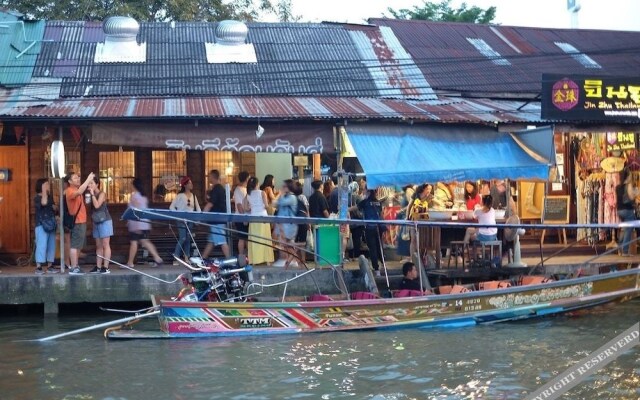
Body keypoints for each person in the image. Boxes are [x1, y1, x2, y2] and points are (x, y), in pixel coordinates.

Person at [127, 178, 163, 268]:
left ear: (134, 186)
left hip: (136, 223)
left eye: (132, 185)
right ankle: (158, 258)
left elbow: (134, 210)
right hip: (145, 223)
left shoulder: (134, 196)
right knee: (145, 241)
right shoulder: (144, 196)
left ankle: (130, 263)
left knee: (134, 242)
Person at [66, 171, 95, 275]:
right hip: (77, 221)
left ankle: (76, 266)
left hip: (81, 220)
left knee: (78, 245)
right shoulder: (69, 191)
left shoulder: (76, 189)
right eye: (75, 178)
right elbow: (79, 192)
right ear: (69, 181)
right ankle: (73, 267)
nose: (78, 179)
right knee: (75, 245)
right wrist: (88, 179)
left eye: (78, 177)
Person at [352, 189, 384, 276]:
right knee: (379, 247)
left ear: (368, 192)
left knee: (372, 248)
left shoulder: (365, 202)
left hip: (369, 228)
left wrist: (344, 209)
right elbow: (381, 215)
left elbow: (354, 208)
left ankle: (376, 269)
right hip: (378, 227)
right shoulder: (378, 202)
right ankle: (384, 265)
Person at [244, 177, 274, 265]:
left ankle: (254, 260)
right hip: (263, 218)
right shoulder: (262, 193)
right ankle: (267, 260)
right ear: (257, 184)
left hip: (253, 218)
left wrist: (252, 208)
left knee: (254, 239)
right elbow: (266, 205)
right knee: (265, 238)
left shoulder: (248, 194)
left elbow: (245, 207)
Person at [170, 176, 201, 263]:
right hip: (181, 220)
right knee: (183, 238)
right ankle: (176, 257)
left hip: (190, 220)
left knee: (188, 238)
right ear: (185, 185)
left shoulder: (194, 196)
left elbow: (198, 209)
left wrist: (198, 219)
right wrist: (177, 215)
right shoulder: (179, 196)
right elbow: (171, 207)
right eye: (189, 183)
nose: (191, 184)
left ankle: (186, 257)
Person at [201, 170, 230, 259]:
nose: (208, 178)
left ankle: (230, 260)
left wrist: (201, 216)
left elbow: (210, 204)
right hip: (217, 219)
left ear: (213, 177)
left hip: (217, 220)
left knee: (221, 241)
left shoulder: (216, 189)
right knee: (211, 241)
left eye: (209, 176)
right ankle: (203, 259)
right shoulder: (219, 189)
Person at [87, 177, 112, 274]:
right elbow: (87, 205)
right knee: (98, 245)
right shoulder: (90, 194)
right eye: (89, 184)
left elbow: (97, 205)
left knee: (106, 244)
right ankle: (98, 266)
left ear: (97, 184)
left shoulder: (102, 194)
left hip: (105, 220)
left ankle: (105, 267)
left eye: (92, 183)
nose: (90, 185)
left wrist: (92, 194)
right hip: (96, 221)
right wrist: (89, 197)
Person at [34, 179, 58, 274]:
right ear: (42, 186)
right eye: (47, 184)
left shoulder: (49, 197)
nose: (49, 185)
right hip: (41, 225)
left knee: (51, 245)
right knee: (41, 245)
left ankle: (50, 265)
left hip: (51, 224)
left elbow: (54, 207)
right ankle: (39, 267)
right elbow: (43, 203)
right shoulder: (37, 198)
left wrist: (54, 207)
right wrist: (44, 190)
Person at [274, 179, 298, 268]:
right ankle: (292, 261)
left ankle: (289, 260)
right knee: (286, 244)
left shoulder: (291, 197)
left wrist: (281, 194)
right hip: (284, 225)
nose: (282, 188)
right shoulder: (286, 197)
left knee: (285, 244)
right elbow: (276, 204)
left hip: (289, 226)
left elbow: (279, 203)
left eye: (284, 186)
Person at [616, 170, 639, 256]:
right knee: (629, 230)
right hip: (627, 210)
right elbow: (631, 196)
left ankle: (619, 248)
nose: (631, 177)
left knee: (624, 229)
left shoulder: (618, 187)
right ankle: (625, 251)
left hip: (619, 210)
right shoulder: (628, 185)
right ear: (627, 177)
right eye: (629, 176)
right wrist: (636, 191)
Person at [293, 181, 310, 265]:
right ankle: (303, 260)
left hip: (293, 222)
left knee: (295, 241)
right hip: (303, 221)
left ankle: (296, 260)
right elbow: (306, 211)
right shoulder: (303, 197)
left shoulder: (290, 198)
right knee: (303, 242)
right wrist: (309, 222)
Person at [233, 171, 250, 255]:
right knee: (242, 238)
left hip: (246, 216)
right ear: (246, 179)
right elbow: (239, 205)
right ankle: (241, 256)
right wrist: (244, 218)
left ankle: (249, 256)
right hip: (241, 217)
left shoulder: (246, 189)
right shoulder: (238, 190)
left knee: (247, 238)